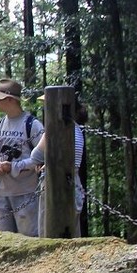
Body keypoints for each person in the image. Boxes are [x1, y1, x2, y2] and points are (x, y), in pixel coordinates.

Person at [0, 78, 43, 236]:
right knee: (1, 239)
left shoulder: (33, 125)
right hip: (0, 194)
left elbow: (42, 158)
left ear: (9, 99)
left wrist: (15, 167)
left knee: (28, 239)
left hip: (26, 194)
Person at [30, 100, 87, 236]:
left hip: (54, 186)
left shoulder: (54, 128)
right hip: (74, 183)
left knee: (48, 236)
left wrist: (44, 161)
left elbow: (35, 156)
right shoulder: (77, 129)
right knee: (72, 235)